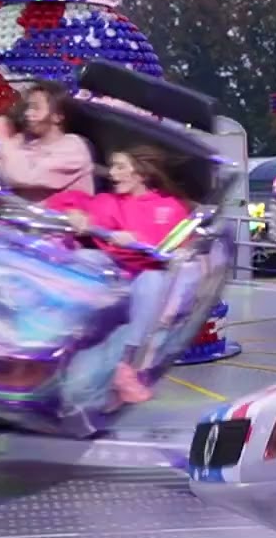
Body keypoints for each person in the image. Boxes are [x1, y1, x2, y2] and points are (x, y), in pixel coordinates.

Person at [45, 145, 190, 407]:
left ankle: (128, 363)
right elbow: (62, 201)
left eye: (121, 167)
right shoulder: (107, 202)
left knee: (153, 281)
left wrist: (139, 240)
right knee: (85, 258)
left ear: (142, 173)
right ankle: (64, 336)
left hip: (149, 275)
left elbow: (180, 247)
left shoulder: (170, 208)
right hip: (114, 273)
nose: (113, 174)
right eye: (112, 167)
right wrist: (72, 213)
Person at [0, 81, 95, 203]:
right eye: (28, 108)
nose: (28, 113)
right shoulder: (27, 140)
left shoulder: (73, 149)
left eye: (36, 108)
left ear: (57, 116)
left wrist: (3, 138)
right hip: (16, 211)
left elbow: (24, 177)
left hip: (56, 215)